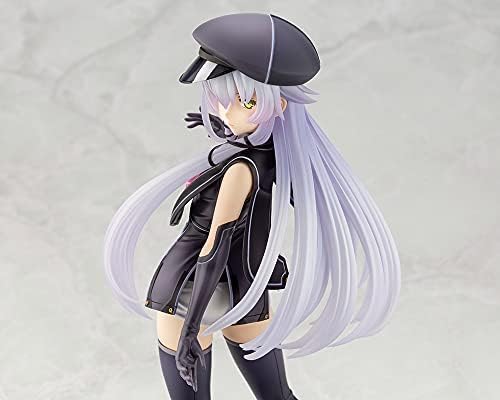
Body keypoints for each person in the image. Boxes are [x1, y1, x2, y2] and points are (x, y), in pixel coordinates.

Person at [104, 12, 401, 400]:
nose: (226, 111)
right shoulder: (274, 156)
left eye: (244, 101)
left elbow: (214, 247)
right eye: (220, 100)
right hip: (244, 288)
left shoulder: (240, 170)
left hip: (190, 290)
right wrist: (220, 124)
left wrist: (191, 327)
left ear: (279, 106)